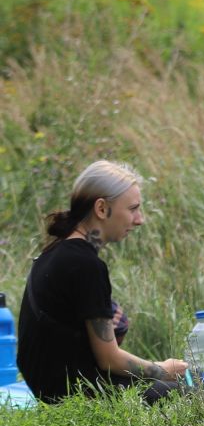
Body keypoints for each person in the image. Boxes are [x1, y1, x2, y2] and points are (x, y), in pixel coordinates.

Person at [17, 160, 187, 403]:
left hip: (51, 389)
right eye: (133, 208)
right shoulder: (86, 265)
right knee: (194, 394)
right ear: (101, 209)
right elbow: (110, 359)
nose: (140, 219)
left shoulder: (53, 252)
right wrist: (162, 369)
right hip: (76, 397)